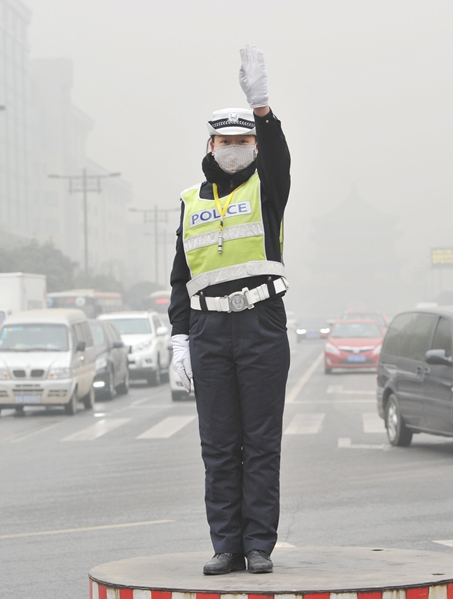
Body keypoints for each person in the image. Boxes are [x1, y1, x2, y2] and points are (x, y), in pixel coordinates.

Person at [168, 45, 291, 576]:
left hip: (261, 324)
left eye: (245, 141)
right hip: (209, 327)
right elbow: (181, 274)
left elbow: (279, 155)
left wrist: (262, 110)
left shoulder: (269, 188)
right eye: (228, 141)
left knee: (260, 443)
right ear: (211, 144)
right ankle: (225, 545)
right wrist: (179, 339)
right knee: (217, 446)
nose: (236, 148)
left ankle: (259, 545)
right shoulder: (190, 200)